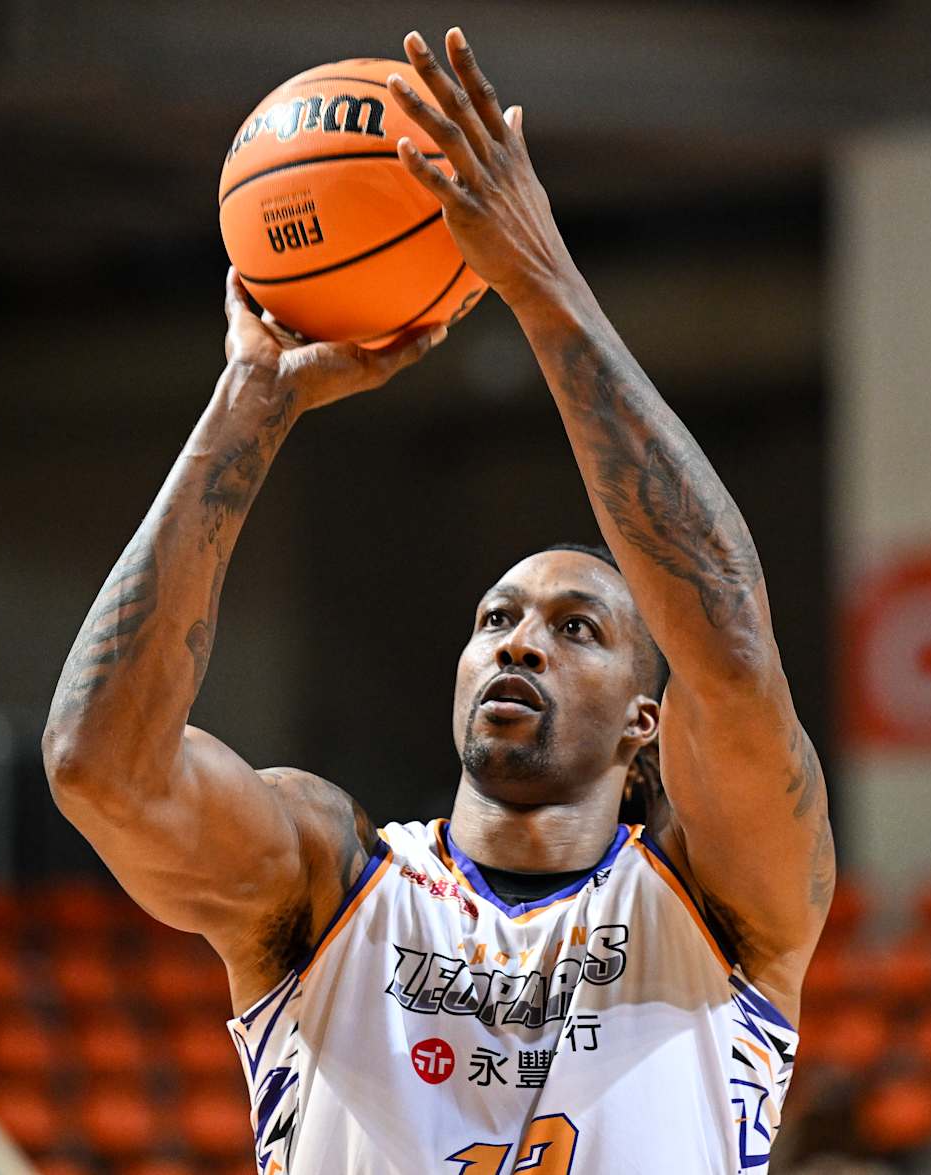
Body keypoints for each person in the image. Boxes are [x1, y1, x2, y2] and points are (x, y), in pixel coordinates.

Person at [43, 27, 834, 1175]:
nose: (520, 639)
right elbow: (96, 764)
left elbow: (731, 646)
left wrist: (541, 282)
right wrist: (248, 410)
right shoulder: (327, 885)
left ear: (644, 724)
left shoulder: (726, 909)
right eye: (495, 618)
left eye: (577, 627)